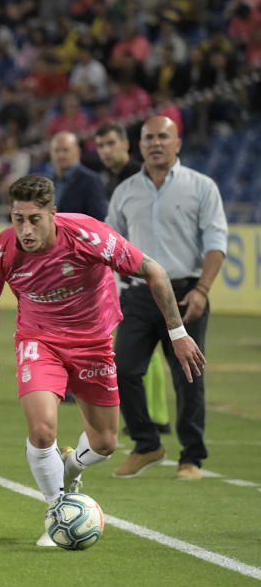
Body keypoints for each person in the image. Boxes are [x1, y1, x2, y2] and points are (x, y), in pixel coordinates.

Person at [0, 175, 205, 546]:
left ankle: (70, 469)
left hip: (93, 343)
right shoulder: (2, 251)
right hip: (39, 340)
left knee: (105, 442)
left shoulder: (87, 235)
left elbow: (154, 272)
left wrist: (177, 334)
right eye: (18, 219)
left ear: (53, 213)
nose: (25, 229)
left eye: (34, 219)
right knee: (43, 430)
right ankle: (57, 510)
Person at [107, 116, 227, 481]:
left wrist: (202, 290)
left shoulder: (202, 187)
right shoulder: (125, 190)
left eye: (163, 137)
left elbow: (216, 243)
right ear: (139, 145)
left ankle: (191, 457)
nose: (156, 143)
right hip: (139, 295)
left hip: (185, 293)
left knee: (188, 375)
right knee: (123, 368)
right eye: (148, 138)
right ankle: (146, 444)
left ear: (178, 143)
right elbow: (110, 246)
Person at [95, 122, 171, 435]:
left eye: (111, 143)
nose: (106, 151)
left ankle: (156, 417)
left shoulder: (138, 179)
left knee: (143, 348)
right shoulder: (113, 179)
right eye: (101, 146)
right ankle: (154, 416)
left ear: (127, 144)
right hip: (128, 271)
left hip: (143, 272)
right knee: (142, 350)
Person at [49, 131, 107, 221]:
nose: (60, 155)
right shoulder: (47, 182)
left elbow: (98, 220)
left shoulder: (91, 181)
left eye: (65, 150)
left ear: (77, 152)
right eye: (56, 150)